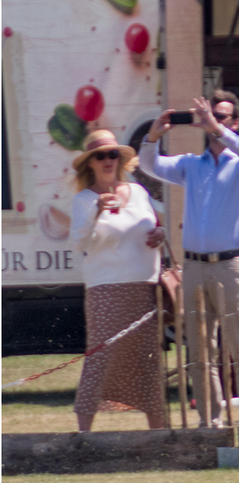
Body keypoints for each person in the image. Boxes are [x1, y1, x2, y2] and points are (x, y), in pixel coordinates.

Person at [139, 91, 239, 426]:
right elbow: (149, 165)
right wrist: (153, 136)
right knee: (198, 351)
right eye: (211, 116)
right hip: (194, 266)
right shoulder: (190, 165)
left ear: (235, 123)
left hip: (230, 264)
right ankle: (210, 422)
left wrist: (222, 132)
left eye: (222, 117)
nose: (214, 122)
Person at [69, 129, 168, 431]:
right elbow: (80, 242)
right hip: (106, 289)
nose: (108, 160)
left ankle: (160, 436)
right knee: (100, 359)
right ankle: (83, 437)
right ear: (90, 164)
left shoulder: (138, 192)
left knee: (148, 362)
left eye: (113, 154)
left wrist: (160, 235)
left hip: (145, 287)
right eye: (100, 156)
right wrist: (97, 212)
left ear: (121, 159)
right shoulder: (84, 200)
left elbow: (154, 228)